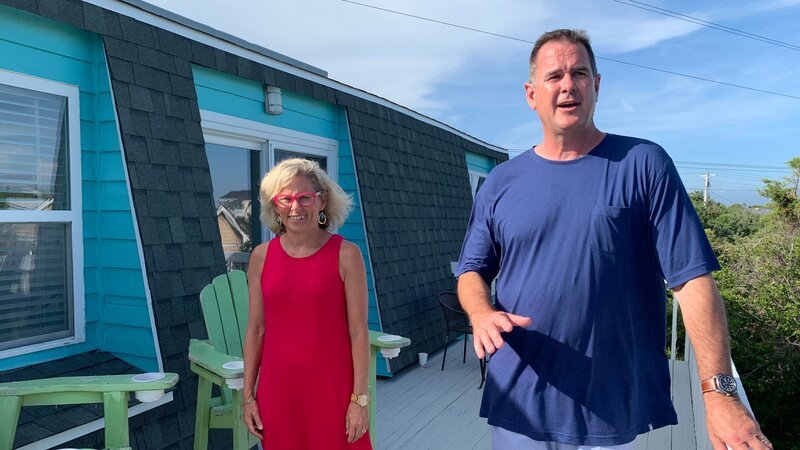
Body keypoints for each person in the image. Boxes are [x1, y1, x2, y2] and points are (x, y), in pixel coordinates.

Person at [455, 29, 771, 450]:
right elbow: (472, 270)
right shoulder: (500, 182)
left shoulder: (643, 164)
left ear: (597, 85)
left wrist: (720, 394)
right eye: (554, 76)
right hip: (519, 399)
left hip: (606, 407)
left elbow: (691, 280)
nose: (568, 85)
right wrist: (480, 313)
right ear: (532, 94)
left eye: (579, 73)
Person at [241, 158, 372, 449]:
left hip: (333, 391)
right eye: (285, 199)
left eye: (304, 198)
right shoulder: (261, 257)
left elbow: (358, 332)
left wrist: (359, 400)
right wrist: (248, 396)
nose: (295, 208)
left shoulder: (346, 255)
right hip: (278, 392)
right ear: (275, 205)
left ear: (322, 200)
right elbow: (256, 330)